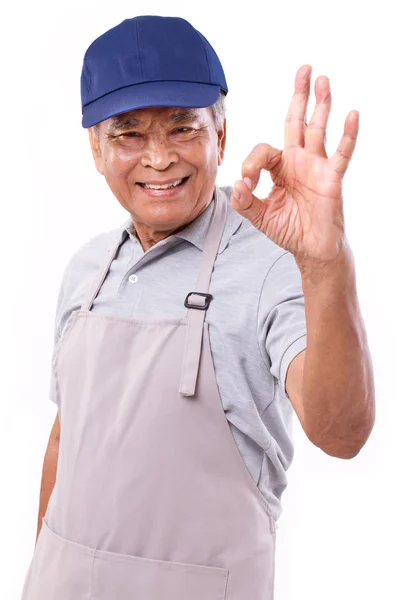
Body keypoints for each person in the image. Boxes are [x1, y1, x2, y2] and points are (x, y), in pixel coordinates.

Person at [21, 14, 375, 600]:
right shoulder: (86, 270)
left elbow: (341, 433)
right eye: (128, 134)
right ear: (95, 148)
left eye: (183, 129)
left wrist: (325, 262)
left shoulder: (271, 262)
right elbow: (66, 440)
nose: (158, 159)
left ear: (222, 136)